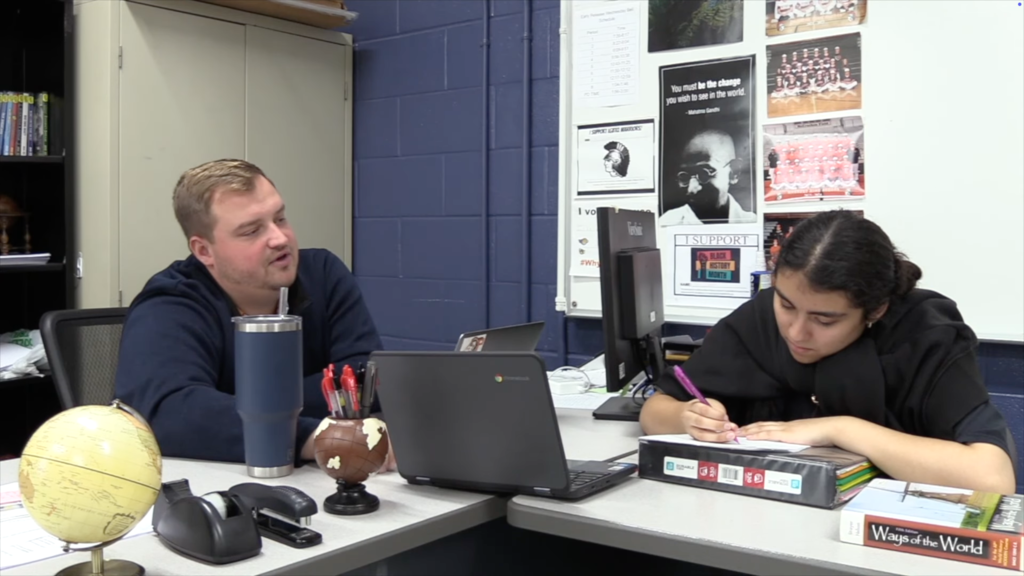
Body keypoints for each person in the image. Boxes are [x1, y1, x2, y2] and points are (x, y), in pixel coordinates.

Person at [640, 210, 1018, 493]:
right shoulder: (758, 319)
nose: (795, 331)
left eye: (825, 320)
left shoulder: (923, 335)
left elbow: (992, 477)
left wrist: (839, 428)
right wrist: (688, 418)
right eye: (786, 305)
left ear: (875, 311)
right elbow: (655, 411)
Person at [114, 159, 395, 471]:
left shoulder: (323, 276)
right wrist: (318, 436)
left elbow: (364, 378)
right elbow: (169, 414)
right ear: (204, 251)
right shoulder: (169, 303)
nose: (279, 238)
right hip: (218, 487)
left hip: (322, 476)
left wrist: (243, 405)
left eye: (281, 218)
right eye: (251, 231)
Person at [660, 129, 756, 227]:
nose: (691, 189)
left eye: (704, 174)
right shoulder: (668, 224)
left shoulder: (753, 223)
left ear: (734, 173)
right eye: (684, 176)